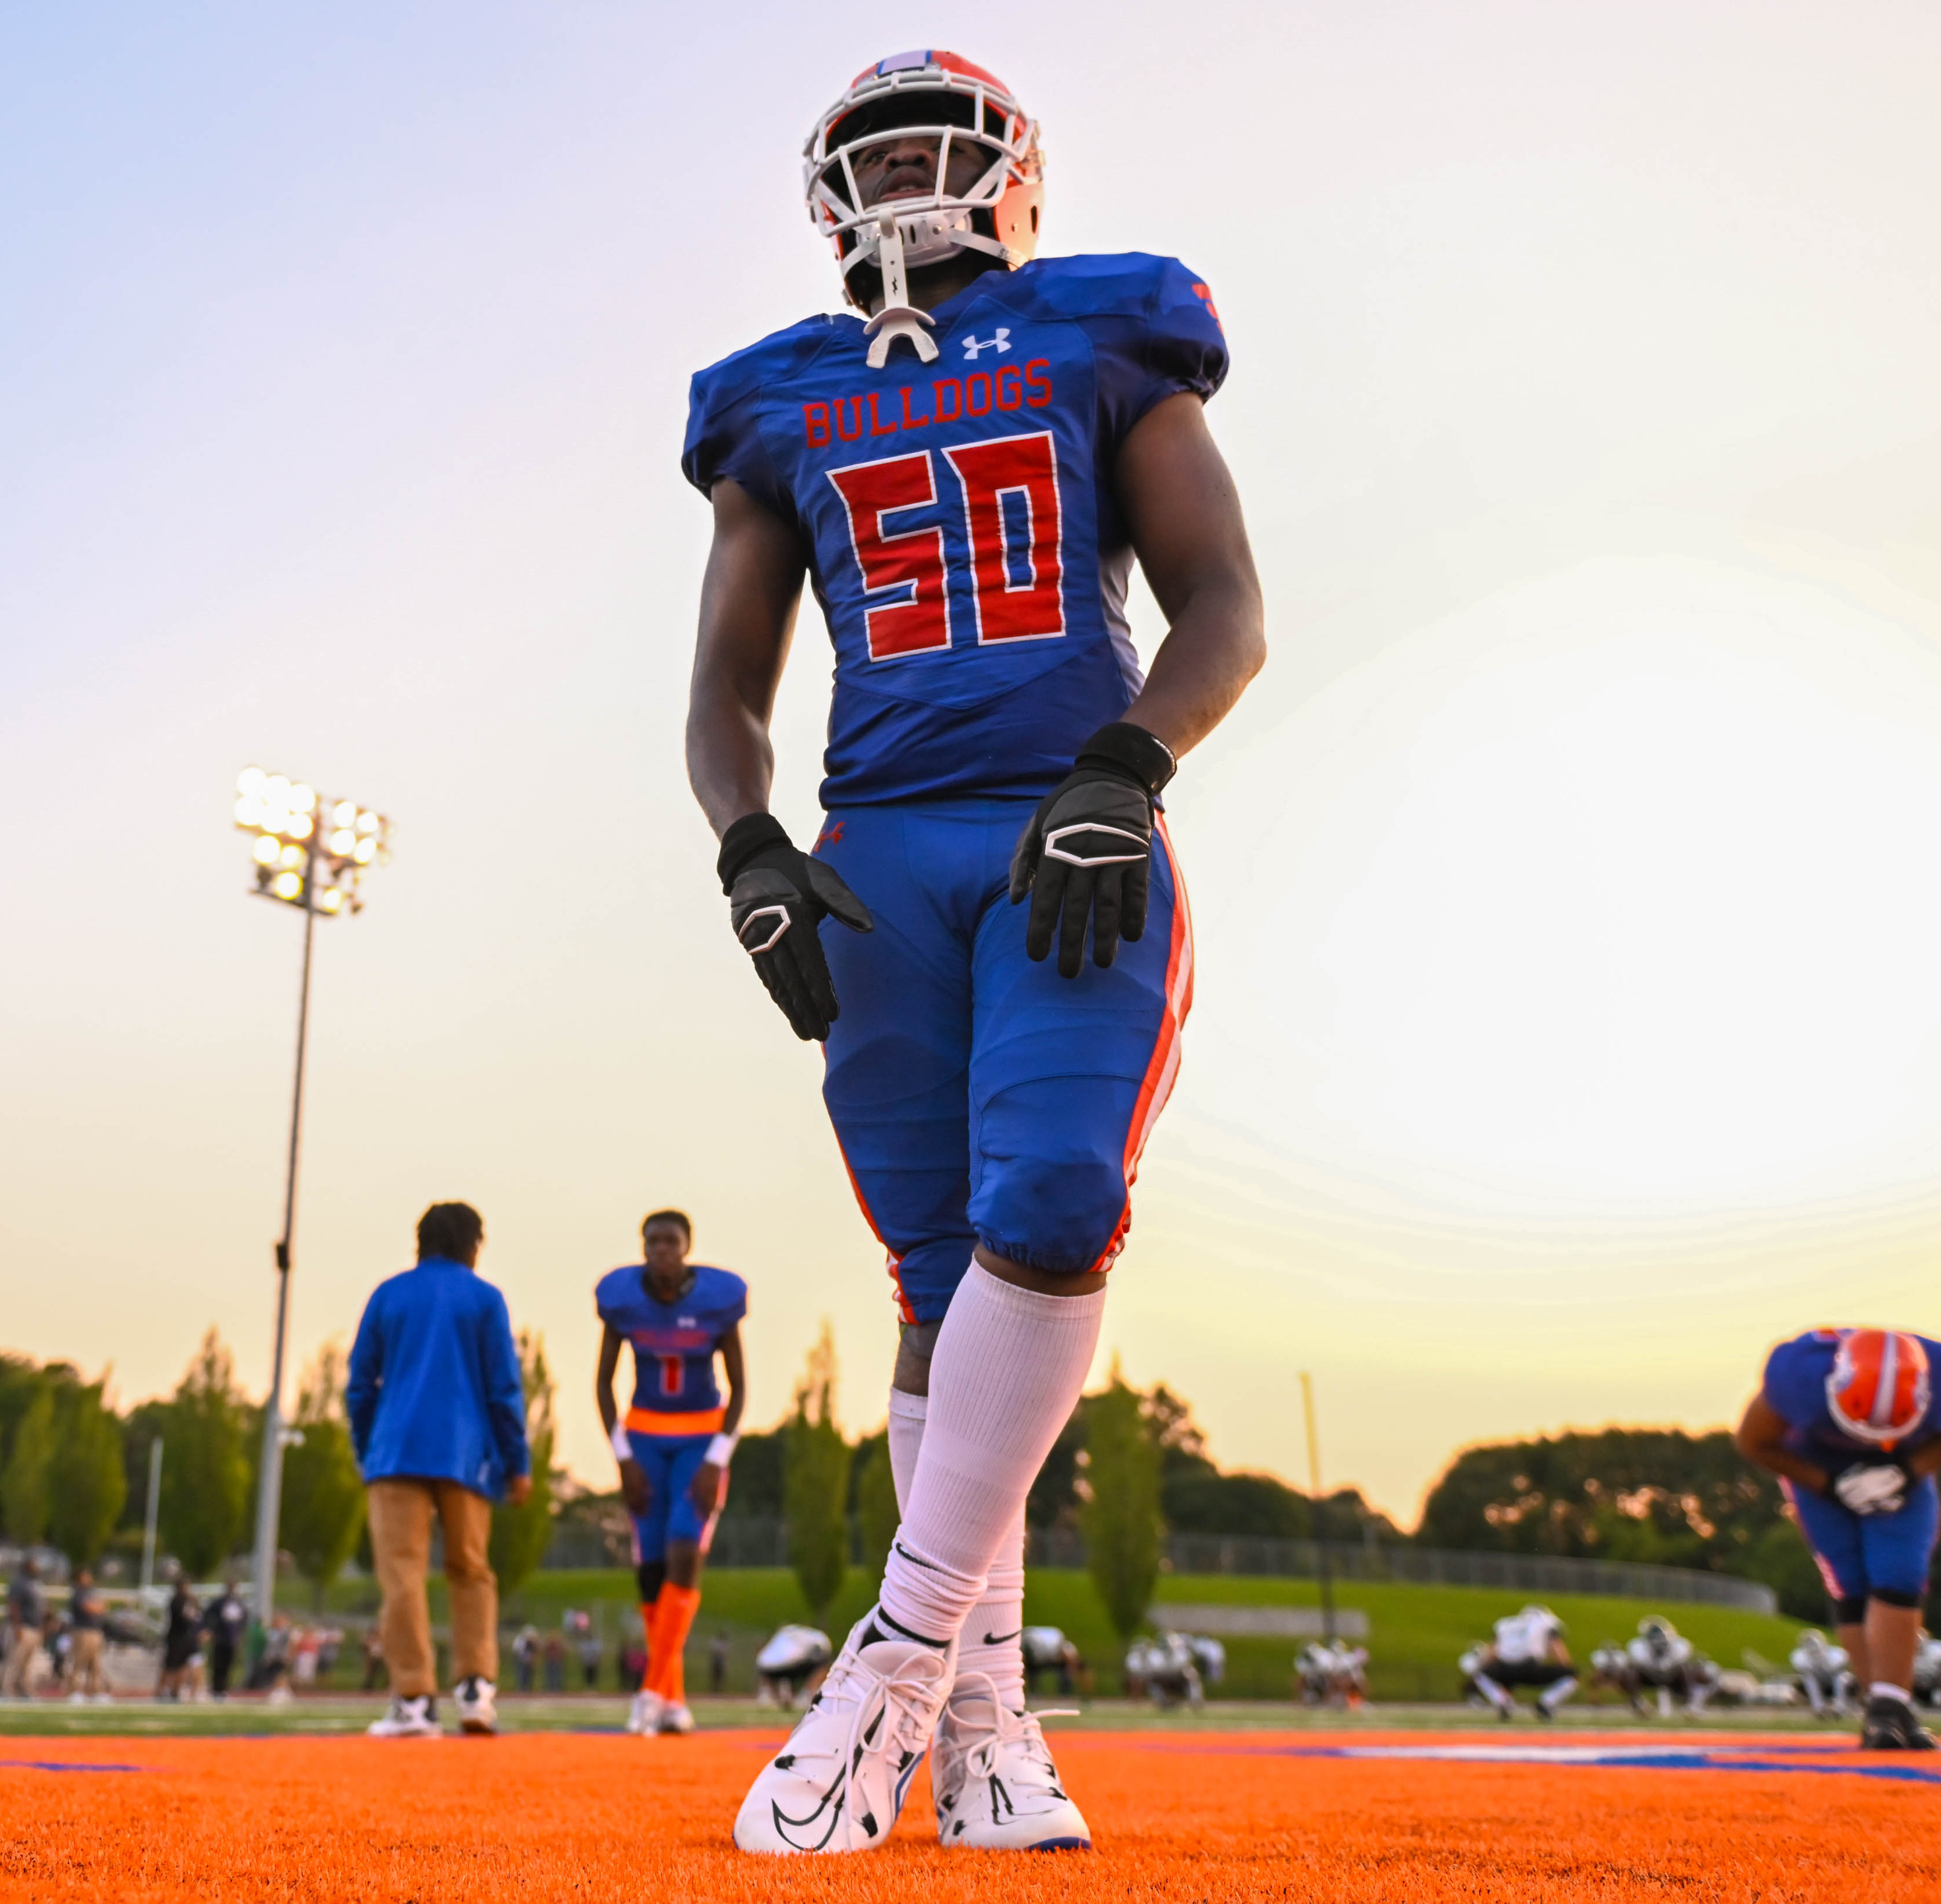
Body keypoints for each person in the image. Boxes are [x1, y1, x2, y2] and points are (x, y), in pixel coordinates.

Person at [686, 48, 1263, 1858]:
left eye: (929, 146)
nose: (900, 180)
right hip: (878, 852)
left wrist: (1125, 765)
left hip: (1056, 825)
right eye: (868, 156)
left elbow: (1225, 604)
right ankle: (993, 1728)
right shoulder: (780, 394)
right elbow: (725, 691)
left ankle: (898, 1660)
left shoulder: (1103, 326)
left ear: (1011, 172)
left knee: (1058, 1201)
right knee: (941, 1280)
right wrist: (750, 845)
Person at [1735, 1326, 1941, 1752]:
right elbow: (1754, 1442)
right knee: (1848, 1580)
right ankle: (1881, 1709)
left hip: (1901, 1467)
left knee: (1901, 1571)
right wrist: (1828, 1485)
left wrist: (1907, 1472)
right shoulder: (1798, 1376)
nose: (1869, 1440)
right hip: (1817, 1467)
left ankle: (1891, 1705)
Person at [346, 1201, 532, 1741]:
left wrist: (367, 1446)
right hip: (465, 1452)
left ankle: (414, 1699)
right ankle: (475, 1688)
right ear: (472, 1244)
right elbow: (503, 1387)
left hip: (394, 1451)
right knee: (471, 1569)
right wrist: (516, 1461)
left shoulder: (388, 1295)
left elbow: (360, 1384)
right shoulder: (485, 1298)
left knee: (401, 1574)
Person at [594, 1208, 749, 1737]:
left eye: (671, 1241)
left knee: (686, 1551)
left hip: (700, 1438)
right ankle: (673, 1698)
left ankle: (651, 1691)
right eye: (653, 1241)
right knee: (651, 1569)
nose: (661, 1249)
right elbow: (603, 1384)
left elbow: (740, 1389)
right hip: (644, 1436)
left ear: (687, 1247)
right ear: (643, 1247)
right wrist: (622, 1456)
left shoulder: (717, 1300)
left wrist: (717, 1458)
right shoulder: (623, 1299)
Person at [1466, 1606, 1577, 1721]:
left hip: (1505, 1667)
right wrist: (1565, 1666)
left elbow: (1493, 1652)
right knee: (1571, 1675)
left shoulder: (1506, 1624)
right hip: (1530, 1667)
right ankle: (1546, 1703)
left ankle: (1502, 1700)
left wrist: (1484, 1670)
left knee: (1481, 1674)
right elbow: (1556, 1647)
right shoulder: (1547, 1622)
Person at [1, 1554, 46, 1699]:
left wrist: (42, 1627)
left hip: (34, 1628)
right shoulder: (19, 1583)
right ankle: (6, 1691)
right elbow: (13, 1605)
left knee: (28, 1664)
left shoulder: (36, 1583)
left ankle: (25, 1691)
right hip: (23, 1627)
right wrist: (17, 1626)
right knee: (15, 1661)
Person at [63, 1567, 110, 1705]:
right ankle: (74, 1691)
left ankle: (97, 1691)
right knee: (79, 1663)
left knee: (96, 1664)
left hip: (95, 1631)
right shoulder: (78, 1593)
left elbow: (103, 1607)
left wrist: (99, 1607)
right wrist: (98, 1607)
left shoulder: (91, 1593)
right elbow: (91, 1608)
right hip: (82, 1632)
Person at [202, 1580, 248, 1699]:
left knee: (229, 1665)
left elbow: (244, 1621)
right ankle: (216, 1689)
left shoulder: (239, 1603)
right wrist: (210, 1630)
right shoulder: (220, 1602)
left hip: (232, 1640)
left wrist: (241, 1635)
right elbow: (208, 1615)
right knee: (218, 1664)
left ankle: (224, 1689)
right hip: (220, 1639)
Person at [158, 1580, 202, 1702]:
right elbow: (185, 1618)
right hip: (175, 1638)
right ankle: (161, 1691)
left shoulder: (189, 1602)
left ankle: (176, 1691)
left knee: (182, 1666)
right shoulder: (176, 1602)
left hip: (185, 1639)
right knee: (170, 1666)